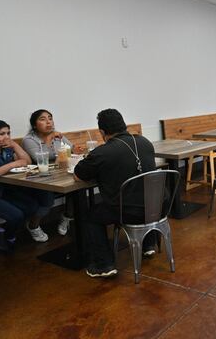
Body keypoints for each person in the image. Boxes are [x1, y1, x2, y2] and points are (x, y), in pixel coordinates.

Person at [74, 109, 157, 278]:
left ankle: (103, 265)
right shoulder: (145, 142)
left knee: (91, 216)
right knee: (142, 196)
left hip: (128, 212)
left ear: (103, 132)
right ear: (123, 125)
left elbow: (78, 175)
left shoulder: (103, 152)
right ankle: (148, 245)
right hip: (158, 206)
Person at [0, 120, 52, 251]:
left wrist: (14, 145)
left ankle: (1, 231)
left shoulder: (5, 149)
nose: (6, 137)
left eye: (8, 133)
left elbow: (27, 162)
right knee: (16, 215)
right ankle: (7, 236)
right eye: (1, 134)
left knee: (32, 206)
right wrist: (12, 165)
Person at [22, 109, 75, 235]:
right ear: (34, 125)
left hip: (60, 174)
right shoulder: (29, 140)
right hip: (40, 179)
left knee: (76, 190)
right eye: (43, 119)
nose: (48, 122)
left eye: (50, 118)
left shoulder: (58, 136)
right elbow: (40, 158)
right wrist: (49, 139)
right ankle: (33, 225)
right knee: (47, 199)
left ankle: (67, 217)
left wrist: (72, 149)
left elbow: (71, 149)